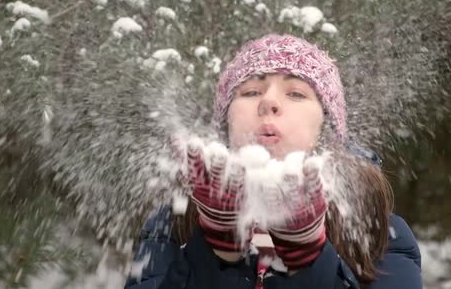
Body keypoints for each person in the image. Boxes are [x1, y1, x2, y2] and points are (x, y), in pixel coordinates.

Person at [124, 34, 422, 288]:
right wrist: (218, 248)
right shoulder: (175, 221)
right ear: (225, 126)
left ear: (326, 130)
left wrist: (306, 255)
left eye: (295, 93)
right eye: (251, 91)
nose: (269, 102)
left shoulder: (377, 228)